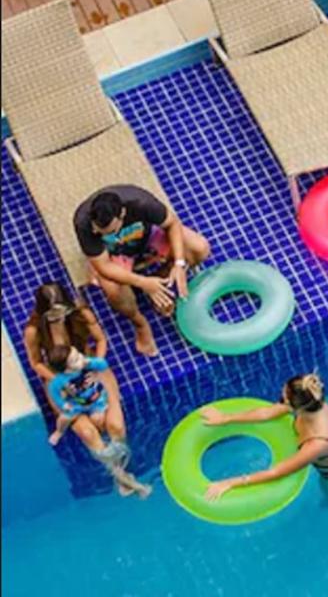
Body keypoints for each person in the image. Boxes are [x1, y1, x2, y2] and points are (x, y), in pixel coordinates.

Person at [201, 373, 328, 545]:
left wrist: (230, 483)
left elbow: (276, 472)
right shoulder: (311, 402)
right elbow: (267, 413)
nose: (281, 397)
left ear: (294, 405)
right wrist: (225, 418)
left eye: (284, 395)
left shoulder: (317, 444)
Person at [23, 283, 150, 497]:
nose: (58, 316)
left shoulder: (81, 315)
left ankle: (123, 465)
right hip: (60, 380)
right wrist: (61, 380)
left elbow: (100, 340)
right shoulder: (33, 331)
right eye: (52, 313)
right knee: (87, 432)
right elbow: (36, 363)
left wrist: (93, 366)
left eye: (61, 310)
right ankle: (119, 475)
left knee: (115, 425)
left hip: (89, 368)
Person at [73, 185, 211, 357]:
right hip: (114, 253)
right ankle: (140, 324)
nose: (96, 233)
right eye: (98, 232)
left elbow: (172, 224)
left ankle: (161, 278)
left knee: (199, 248)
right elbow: (104, 267)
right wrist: (142, 282)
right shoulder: (84, 223)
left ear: (123, 214)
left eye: (109, 231)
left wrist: (179, 263)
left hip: (148, 237)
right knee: (114, 291)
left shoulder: (141, 203)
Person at [46, 345, 110, 446]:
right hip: (77, 404)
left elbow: (103, 364)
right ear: (66, 370)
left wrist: (91, 363)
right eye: (76, 360)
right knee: (63, 419)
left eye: (78, 354)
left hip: (96, 400)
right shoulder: (60, 379)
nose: (81, 357)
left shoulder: (87, 364)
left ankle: (102, 433)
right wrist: (63, 404)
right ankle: (59, 432)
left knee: (97, 419)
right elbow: (53, 391)